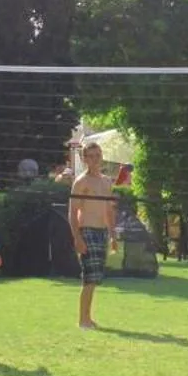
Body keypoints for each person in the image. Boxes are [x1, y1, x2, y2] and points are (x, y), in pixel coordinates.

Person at [68, 141, 117, 329]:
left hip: (102, 231)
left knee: (95, 277)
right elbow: (73, 212)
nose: (95, 160)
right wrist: (77, 238)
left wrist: (113, 234)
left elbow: (109, 210)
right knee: (89, 276)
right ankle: (83, 320)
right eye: (90, 156)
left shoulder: (106, 181)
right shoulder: (81, 182)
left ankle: (88, 317)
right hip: (87, 230)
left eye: (98, 155)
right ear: (84, 159)